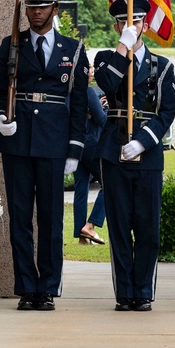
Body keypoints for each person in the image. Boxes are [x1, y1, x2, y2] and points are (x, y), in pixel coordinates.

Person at [0, 0, 89, 312]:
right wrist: (0, 118)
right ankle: (26, 287)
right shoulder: (10, 46)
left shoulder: (73, 50)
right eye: (31, 7)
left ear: (54, 10)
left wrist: (75, 148)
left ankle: (47, 287)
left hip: (53, 141)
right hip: (17, 141)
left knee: (50, 219)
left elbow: (78, 103)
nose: (36, 12)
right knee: (20, 217)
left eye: (43, 7)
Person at [94, 0, 175, 312]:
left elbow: (167, 110)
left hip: (148, 153)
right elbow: (107, 82)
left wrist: (144, 141)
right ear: (117, 25)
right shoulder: (106, 58)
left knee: (147, 227)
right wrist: (123, 48)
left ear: (146, 23)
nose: (131, 26)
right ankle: (124, 292)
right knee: (118, 225)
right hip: (114, 150)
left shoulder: (163, 65)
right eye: (124, 22)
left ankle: (142, 291)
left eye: (137, 21)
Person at [73, 67, 107, 245]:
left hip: (76, 146)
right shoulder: (89, 91)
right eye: (90, 71)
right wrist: (106, 110)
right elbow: (101, 120)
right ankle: (91, 225)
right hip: (92, 144)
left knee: (81, 189)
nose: (92, 73)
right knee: (109, 183)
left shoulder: (70, 91)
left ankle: (81, 235)